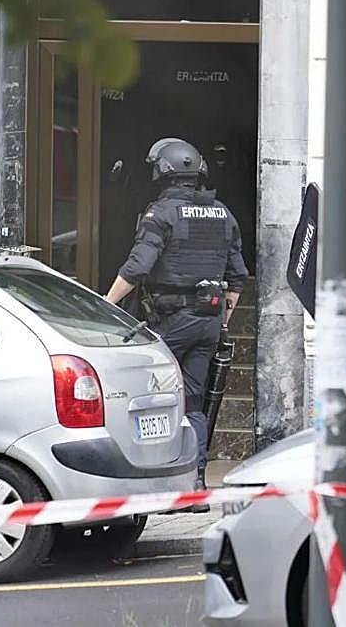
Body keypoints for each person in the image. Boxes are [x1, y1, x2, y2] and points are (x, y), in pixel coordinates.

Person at [105, 138, 248, 489]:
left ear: (162, 171)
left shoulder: (161, 213)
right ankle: (195, 480)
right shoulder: (223, 214)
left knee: (148, 398)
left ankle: (151, 477)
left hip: (170, 323)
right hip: (209, 322)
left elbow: (138, 267)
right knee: (194, 404)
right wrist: (222, 322)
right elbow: (238, 278)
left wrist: (106, 305)